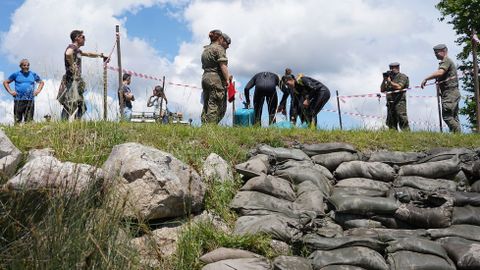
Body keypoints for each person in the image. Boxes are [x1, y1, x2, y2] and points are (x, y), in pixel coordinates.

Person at [58, 30, 106, 120]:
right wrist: (73, 65)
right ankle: (63, 124)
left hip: (76, 80)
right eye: (83, 37)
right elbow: (68, 53)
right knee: (70, 104)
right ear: (77, 38)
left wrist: (101, 55)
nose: (85, 39)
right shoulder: (72, 47)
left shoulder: (77, 50)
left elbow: (88, 54)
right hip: (72, 80)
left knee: (82, 107)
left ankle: (76, 124)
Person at [421, 44, 461, 133]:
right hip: (452, 93)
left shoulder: (446, 61)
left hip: (450, 93)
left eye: (436, 52)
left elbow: (440, 72)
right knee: (453, 116)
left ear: (443, 51)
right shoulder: (446, 61)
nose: (435, 55)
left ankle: (457, 133)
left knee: (447, 116)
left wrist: (426, 78)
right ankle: (458, 136)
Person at [201, 29, 231, 124]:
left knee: (206, 104)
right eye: (227, 43)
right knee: (215, 104)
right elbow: (223, 65)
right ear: (221, 39)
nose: (228, 46)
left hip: (205, 77)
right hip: (215, 80)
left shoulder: (206, 49)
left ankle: (204, 125)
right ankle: (211, 129)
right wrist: (227, 80)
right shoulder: (219, 49)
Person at [3, 59, 44, 123]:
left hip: (30, 100)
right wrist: (11, 91)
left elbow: (41, 82)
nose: (26, 67)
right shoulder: (16, 74)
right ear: (20, 66)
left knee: (29, 121)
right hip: (19, 100)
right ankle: (16, 132)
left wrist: (37, 91)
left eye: (28, 65)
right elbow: (5, 82)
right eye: (24, 65)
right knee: (17, 120)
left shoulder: (33, 74)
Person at [380, 62, 410, 131]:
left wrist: (390, 82)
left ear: (398, 68)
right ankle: (393, 135)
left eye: (394, 68)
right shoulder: (390, 78)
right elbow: (382, 89)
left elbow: (399, 86)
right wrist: (384, 79)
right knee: (391, 122)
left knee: (402, 119)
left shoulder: (402, 76)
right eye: (391, 68)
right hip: (390, 102)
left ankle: (407, 134)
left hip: (399, 102)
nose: (392, 69)